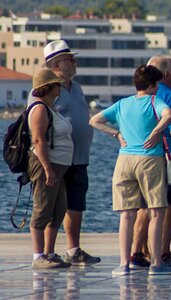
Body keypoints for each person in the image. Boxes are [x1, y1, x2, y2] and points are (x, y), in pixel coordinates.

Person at [89, 65, 171, 276]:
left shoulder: (123, 104)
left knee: (126, 214)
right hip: (149, 160)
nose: (158, 88)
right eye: (156, 84)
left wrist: (116, 135)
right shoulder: (154, 100)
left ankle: (124, 263)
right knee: (157, 211)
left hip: (124, 159)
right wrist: (157, 132)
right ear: (150, 85)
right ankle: (156, 262)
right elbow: (168, 115)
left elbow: (94, 120)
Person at [128, 55, 171, 269]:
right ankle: (162, 251)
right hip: (167, 159)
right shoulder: (169, 97)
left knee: (144, 207)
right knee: (166, 208)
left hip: (140, 158)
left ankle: (138, 251)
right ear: (165, 74)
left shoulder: (140, 97)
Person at [40, 40, 100, 266]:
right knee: (54, 206)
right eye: (69, 59)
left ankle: (73, 250)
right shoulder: (47, 89)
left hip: (79, 158)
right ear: (56, 64)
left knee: (76, 205)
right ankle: (47, 252)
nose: (74, 62)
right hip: (58, 158)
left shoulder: (76, 87)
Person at [26, 70, 74, 269]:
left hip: (59, 167)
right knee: (43, 208)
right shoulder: (39, 109)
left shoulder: (51, 107)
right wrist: (47, 169)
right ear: (47, 86)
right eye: (56, 84)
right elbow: (38, 140)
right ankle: (38, 256)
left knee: (59, 208)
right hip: (46, 165)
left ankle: (49, 252)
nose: (60, 87)